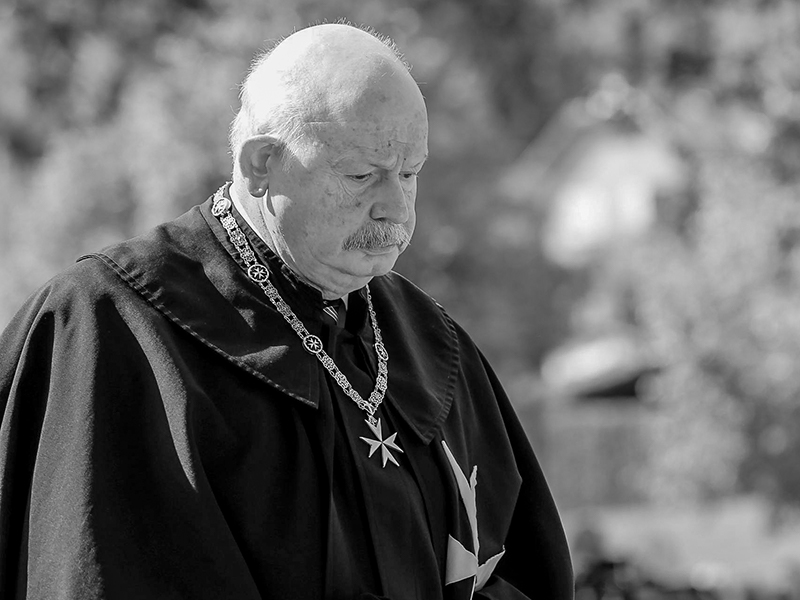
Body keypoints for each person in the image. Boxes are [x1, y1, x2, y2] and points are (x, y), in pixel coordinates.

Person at [0, 23, 573, 600]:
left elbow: (517, 570)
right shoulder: (112, 326)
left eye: (409, 174)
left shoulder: (434, 346)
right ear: (261, 164)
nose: (396, 208)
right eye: (361, 175)